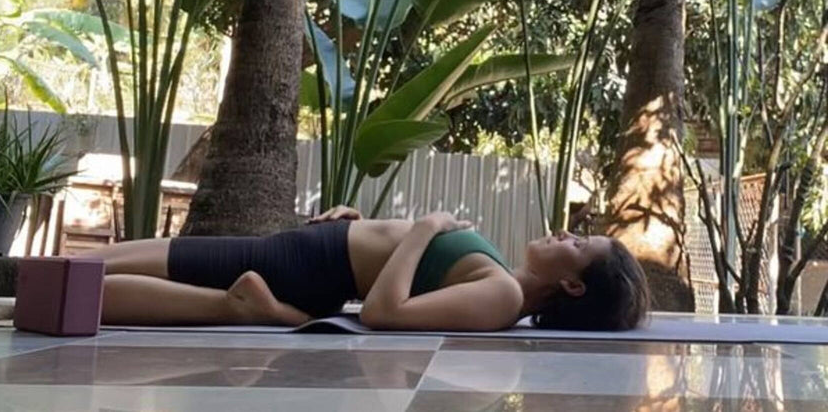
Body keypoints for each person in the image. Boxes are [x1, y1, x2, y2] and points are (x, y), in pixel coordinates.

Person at [87, 206, 649, 332]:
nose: (565, 234)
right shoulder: (502, 277)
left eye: (578, 245)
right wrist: (364, 221)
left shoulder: (502, 297)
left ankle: (52, 291)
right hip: (317, 255)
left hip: (310, 266)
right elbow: (398, 267)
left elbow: (384, 312)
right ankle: (263, 311)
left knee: (96, 273)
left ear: (572, 284)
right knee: (122, 260)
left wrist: (425, 227)